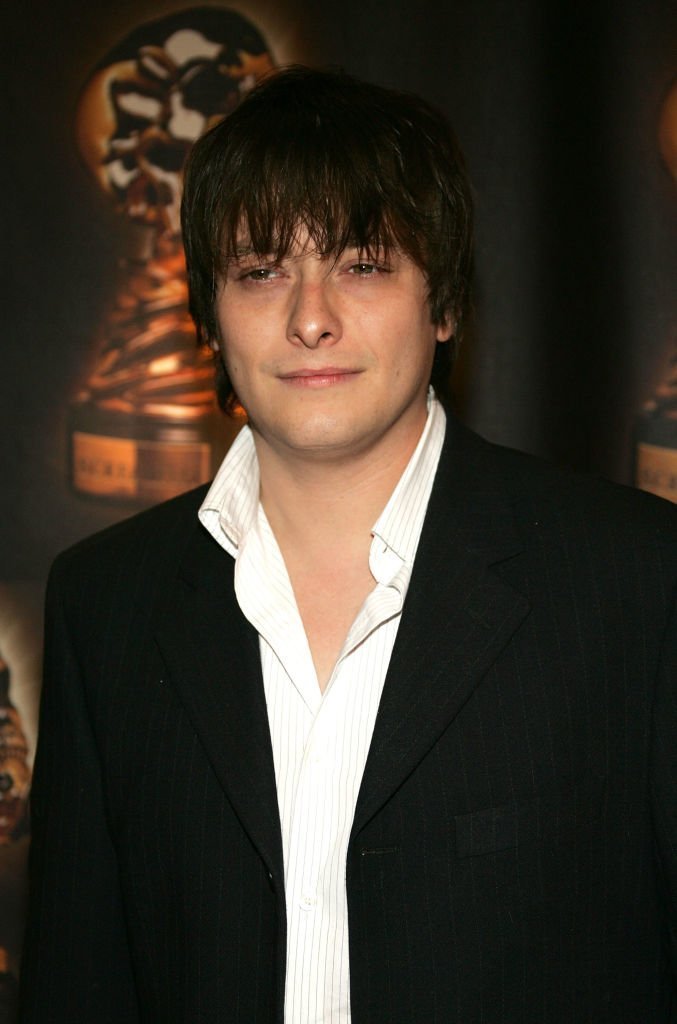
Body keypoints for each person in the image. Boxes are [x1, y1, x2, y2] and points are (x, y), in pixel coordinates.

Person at [20, 66, 677, 1024]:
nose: (310, 315)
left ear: (443, 303)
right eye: (260, 271)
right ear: (207, 315)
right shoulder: (105, 603)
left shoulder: (635, 580)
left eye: (363, 263)